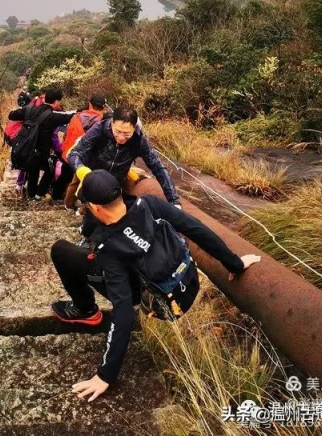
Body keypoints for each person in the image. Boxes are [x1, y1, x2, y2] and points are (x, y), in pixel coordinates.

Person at [51, 170, 261, 401]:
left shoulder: (108, 247)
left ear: (95, 207)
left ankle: (85, 310)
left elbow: (123, 312)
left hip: (153, 302)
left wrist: (105, 375)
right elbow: (196, 228)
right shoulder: (150, 204)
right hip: (186, 285)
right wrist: (235, 264)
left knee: (61, 250)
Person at [66, 106, 180, 207]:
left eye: (126, 134)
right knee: (78, 191)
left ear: (134, 127)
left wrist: (174, 200)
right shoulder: (99, 129)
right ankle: (69, 205)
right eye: (118, 131)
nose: (121, 138)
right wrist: (82, 170)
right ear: (112, 123)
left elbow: (158, 168)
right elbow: (75, 153)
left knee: (101, 208)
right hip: (90, 172)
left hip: (115, 180)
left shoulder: (139, 140)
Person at [8, 87, 74, 199]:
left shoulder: (29, 109)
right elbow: (70, 116)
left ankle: (32, 195)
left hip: (27, 149)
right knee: (50, 169)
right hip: (41, 153)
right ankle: (39, 193)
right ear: (56, 101)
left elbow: (11, 115)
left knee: (33, 172)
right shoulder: (52, 116)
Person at [53, 93, 109, 203]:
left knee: (65, 176)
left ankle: (57, 196)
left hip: (70, 152)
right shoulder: (103, 122)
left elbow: (67, 135)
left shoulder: (77, 117)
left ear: (89, 104)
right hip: (89, 156)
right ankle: (83, 200)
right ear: (104, 107)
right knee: (84, 178)